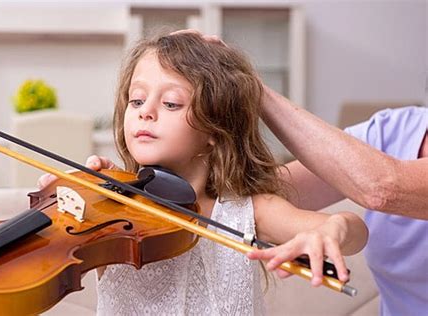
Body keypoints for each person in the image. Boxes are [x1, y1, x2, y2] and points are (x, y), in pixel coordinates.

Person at [38, 32, 367, 315]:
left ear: (214, 127)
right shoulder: (111, 208)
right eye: (136, 101)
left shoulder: (246, 211)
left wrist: (332, 231)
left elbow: (355, 231)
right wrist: (63, 198)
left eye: (170, 104)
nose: (145, 113)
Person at [253, 89, 427, 316]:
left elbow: (382, 187)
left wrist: (250, 86)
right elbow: (273, 190)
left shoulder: (383, 180)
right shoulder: (394, 129)